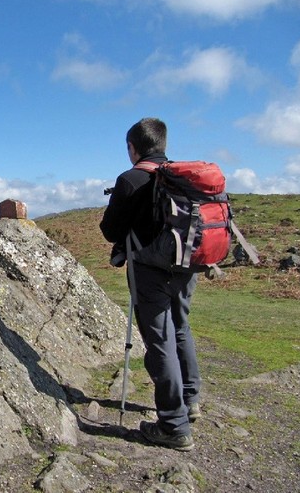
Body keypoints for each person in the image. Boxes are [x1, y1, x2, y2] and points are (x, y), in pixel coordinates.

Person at [100, 117, 201, 451]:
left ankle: (174, 426)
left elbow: (111, 231)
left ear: (133, 147)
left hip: (150, 271)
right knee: (181, 328)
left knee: (160, 341)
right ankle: (190, 399)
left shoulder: (130, 179)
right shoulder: (184, 178)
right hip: (186, 267)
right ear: (163, 143)